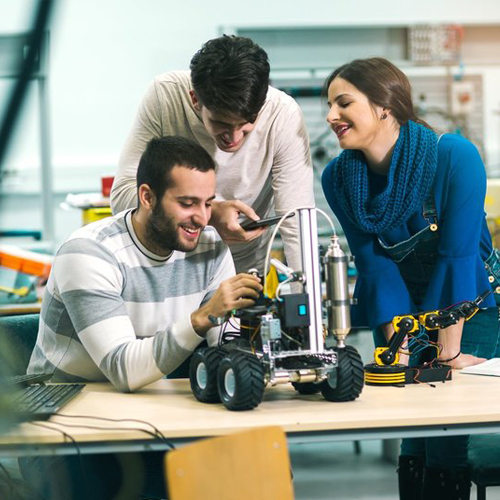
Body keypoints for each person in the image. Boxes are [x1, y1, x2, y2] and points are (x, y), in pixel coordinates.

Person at [21, 135, 263, 500]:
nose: (202, 218)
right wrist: (202, 318)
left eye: (208, 203)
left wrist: (255, 337)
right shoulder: (89, 253)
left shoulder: (210, 247)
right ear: (147, 197)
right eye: (187, 203)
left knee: (252, 475)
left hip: (155, 414)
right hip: (65, 430)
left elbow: (226, 348)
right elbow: (124, 369)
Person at [321, 57, 500, 500]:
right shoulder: (339, 178)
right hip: (402, 309)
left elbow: (458, 258)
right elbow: (376, 267)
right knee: (413, 432)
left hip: (469, 306)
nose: (330, 116)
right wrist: (396, 354)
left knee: (445, 435)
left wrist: (448, 354)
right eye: (329, 105)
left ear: (385, 105)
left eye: (343, 103)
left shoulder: (452, 156)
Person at [111, 35, 314, 275]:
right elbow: (122, 197)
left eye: (247, 123)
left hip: (242, 270)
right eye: (221, 123)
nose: (234, 137)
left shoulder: (282, 114)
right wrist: (210, 213)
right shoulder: (165, 96)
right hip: (164, 269)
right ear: (195, 100)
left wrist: (307, 289)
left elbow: (297, 223)